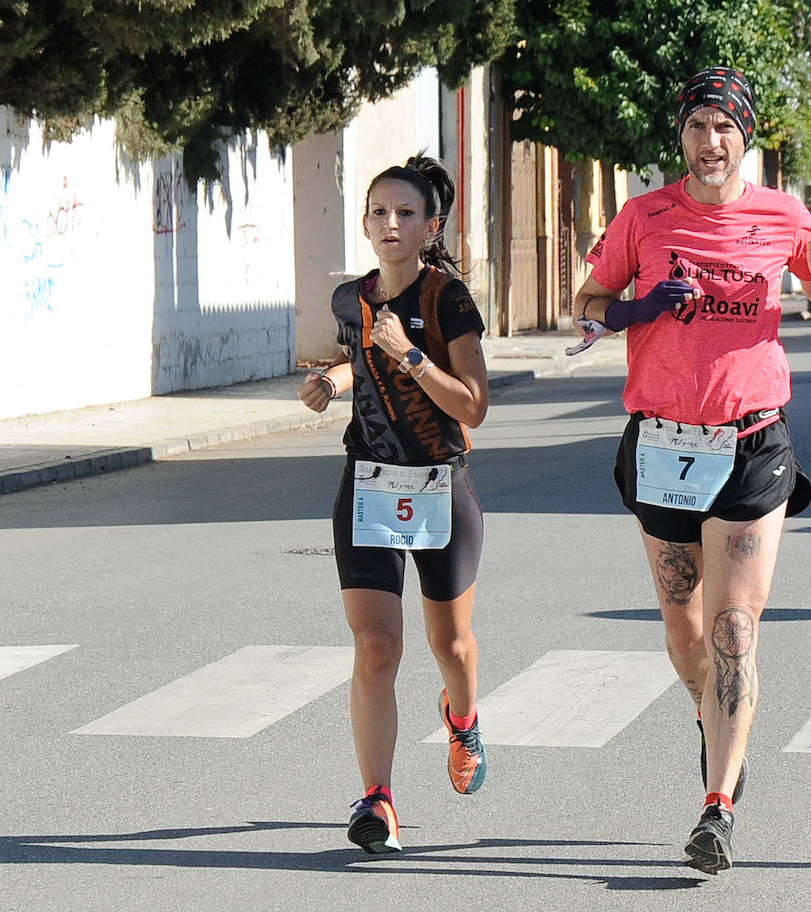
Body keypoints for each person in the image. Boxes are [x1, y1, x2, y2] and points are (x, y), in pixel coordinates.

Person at [572, 65, 811, 875]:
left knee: (736, 630)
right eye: (697, 126)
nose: (710, 141)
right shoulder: (644, 215)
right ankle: (714, 720)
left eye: (724, 126)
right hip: (662, 446)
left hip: (752, 443)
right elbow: (587, 308)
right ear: (681, 136)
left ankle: (717, 806)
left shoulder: (781, 214)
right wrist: (636, 307)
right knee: (687, 632)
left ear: (746, 136)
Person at [299, 154, 491, 855]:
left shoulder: (448, 300)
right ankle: (377, 799)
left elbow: (474, 404)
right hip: (370, 483)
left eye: (406, 213)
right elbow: (366, 357)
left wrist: (411, 355)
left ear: (429, 225)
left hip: (440, 484)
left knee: (453, 646)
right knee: (377, 645)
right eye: (379, 211)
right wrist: (336, 379)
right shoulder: (351, 300)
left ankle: (462, 719)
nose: (390, 223)